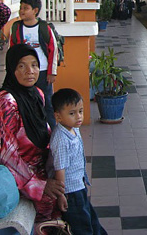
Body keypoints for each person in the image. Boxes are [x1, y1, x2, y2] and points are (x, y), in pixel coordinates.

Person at [0, 44, 65, 226]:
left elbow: (45, 137)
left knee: (72, 193)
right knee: (52, 205)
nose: (30, 71)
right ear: (12, 69)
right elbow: (7, 157)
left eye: (34, 65)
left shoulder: (37, 94)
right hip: (9, 175)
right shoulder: (5, 102)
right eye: (21, 66)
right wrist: (40, 185)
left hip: (36, 168)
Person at [50, 89, 107, 235]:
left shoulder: (73, 129)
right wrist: (61, 195)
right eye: (72, 113)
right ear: (58, 116)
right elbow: (60, 168)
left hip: (79, 185)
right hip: (70, 191)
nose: (79, 117)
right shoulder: (61, 139)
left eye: (80, 111)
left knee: (90, 219)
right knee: (81, 225)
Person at [10, 0, 58, 129]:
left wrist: (52, 72)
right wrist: (12, 71)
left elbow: (53, 50)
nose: (22, 11)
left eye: (26, 8)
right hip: (23, 72)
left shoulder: (44, 28)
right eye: (21, 8)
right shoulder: (16, 28)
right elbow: (12, 51)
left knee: (46, 102)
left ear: (35, 11)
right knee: (24, 101)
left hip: (42, 71)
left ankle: (51, 130)